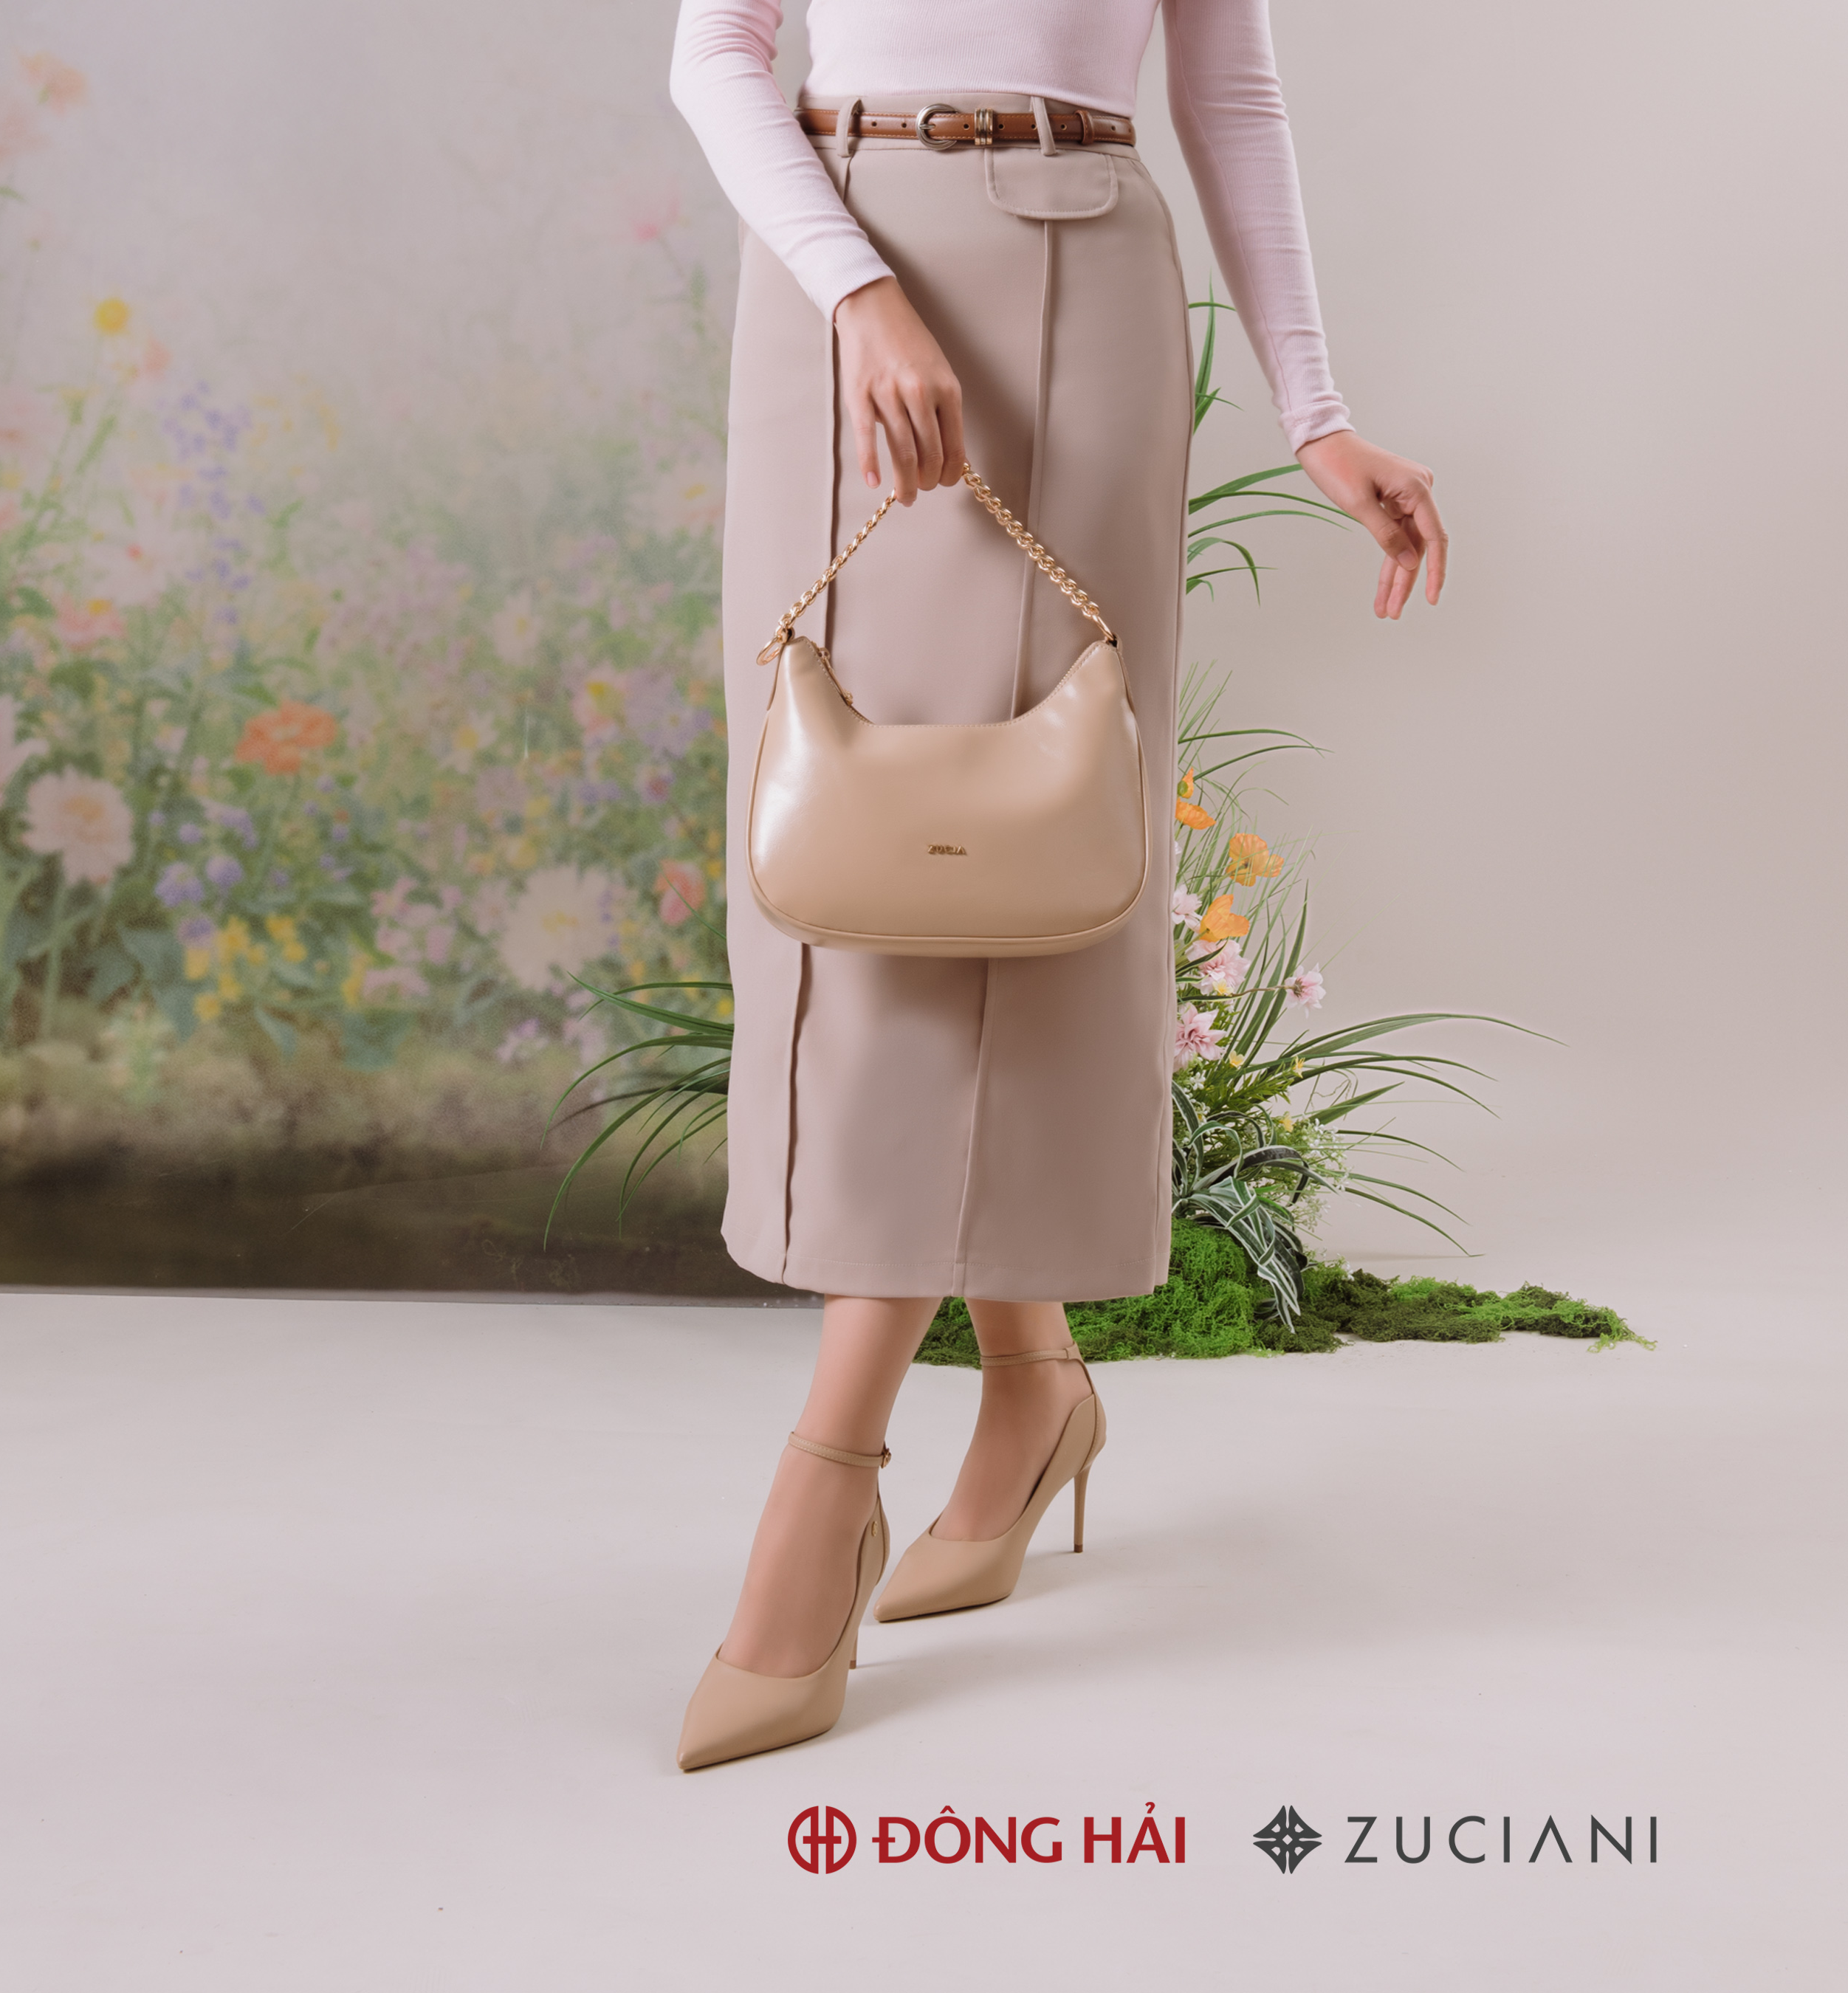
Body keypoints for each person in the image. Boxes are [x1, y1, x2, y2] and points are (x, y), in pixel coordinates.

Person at [666, 0, 1448, 1772]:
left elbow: (1227, 84)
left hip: (1089, 274)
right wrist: (858, 288)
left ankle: (830, 1480)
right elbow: (715, 52)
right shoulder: (840, 284)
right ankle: (1029, 1389)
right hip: (836, 275)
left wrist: (1316, 411)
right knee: (873, 844)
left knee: (1014, 846)